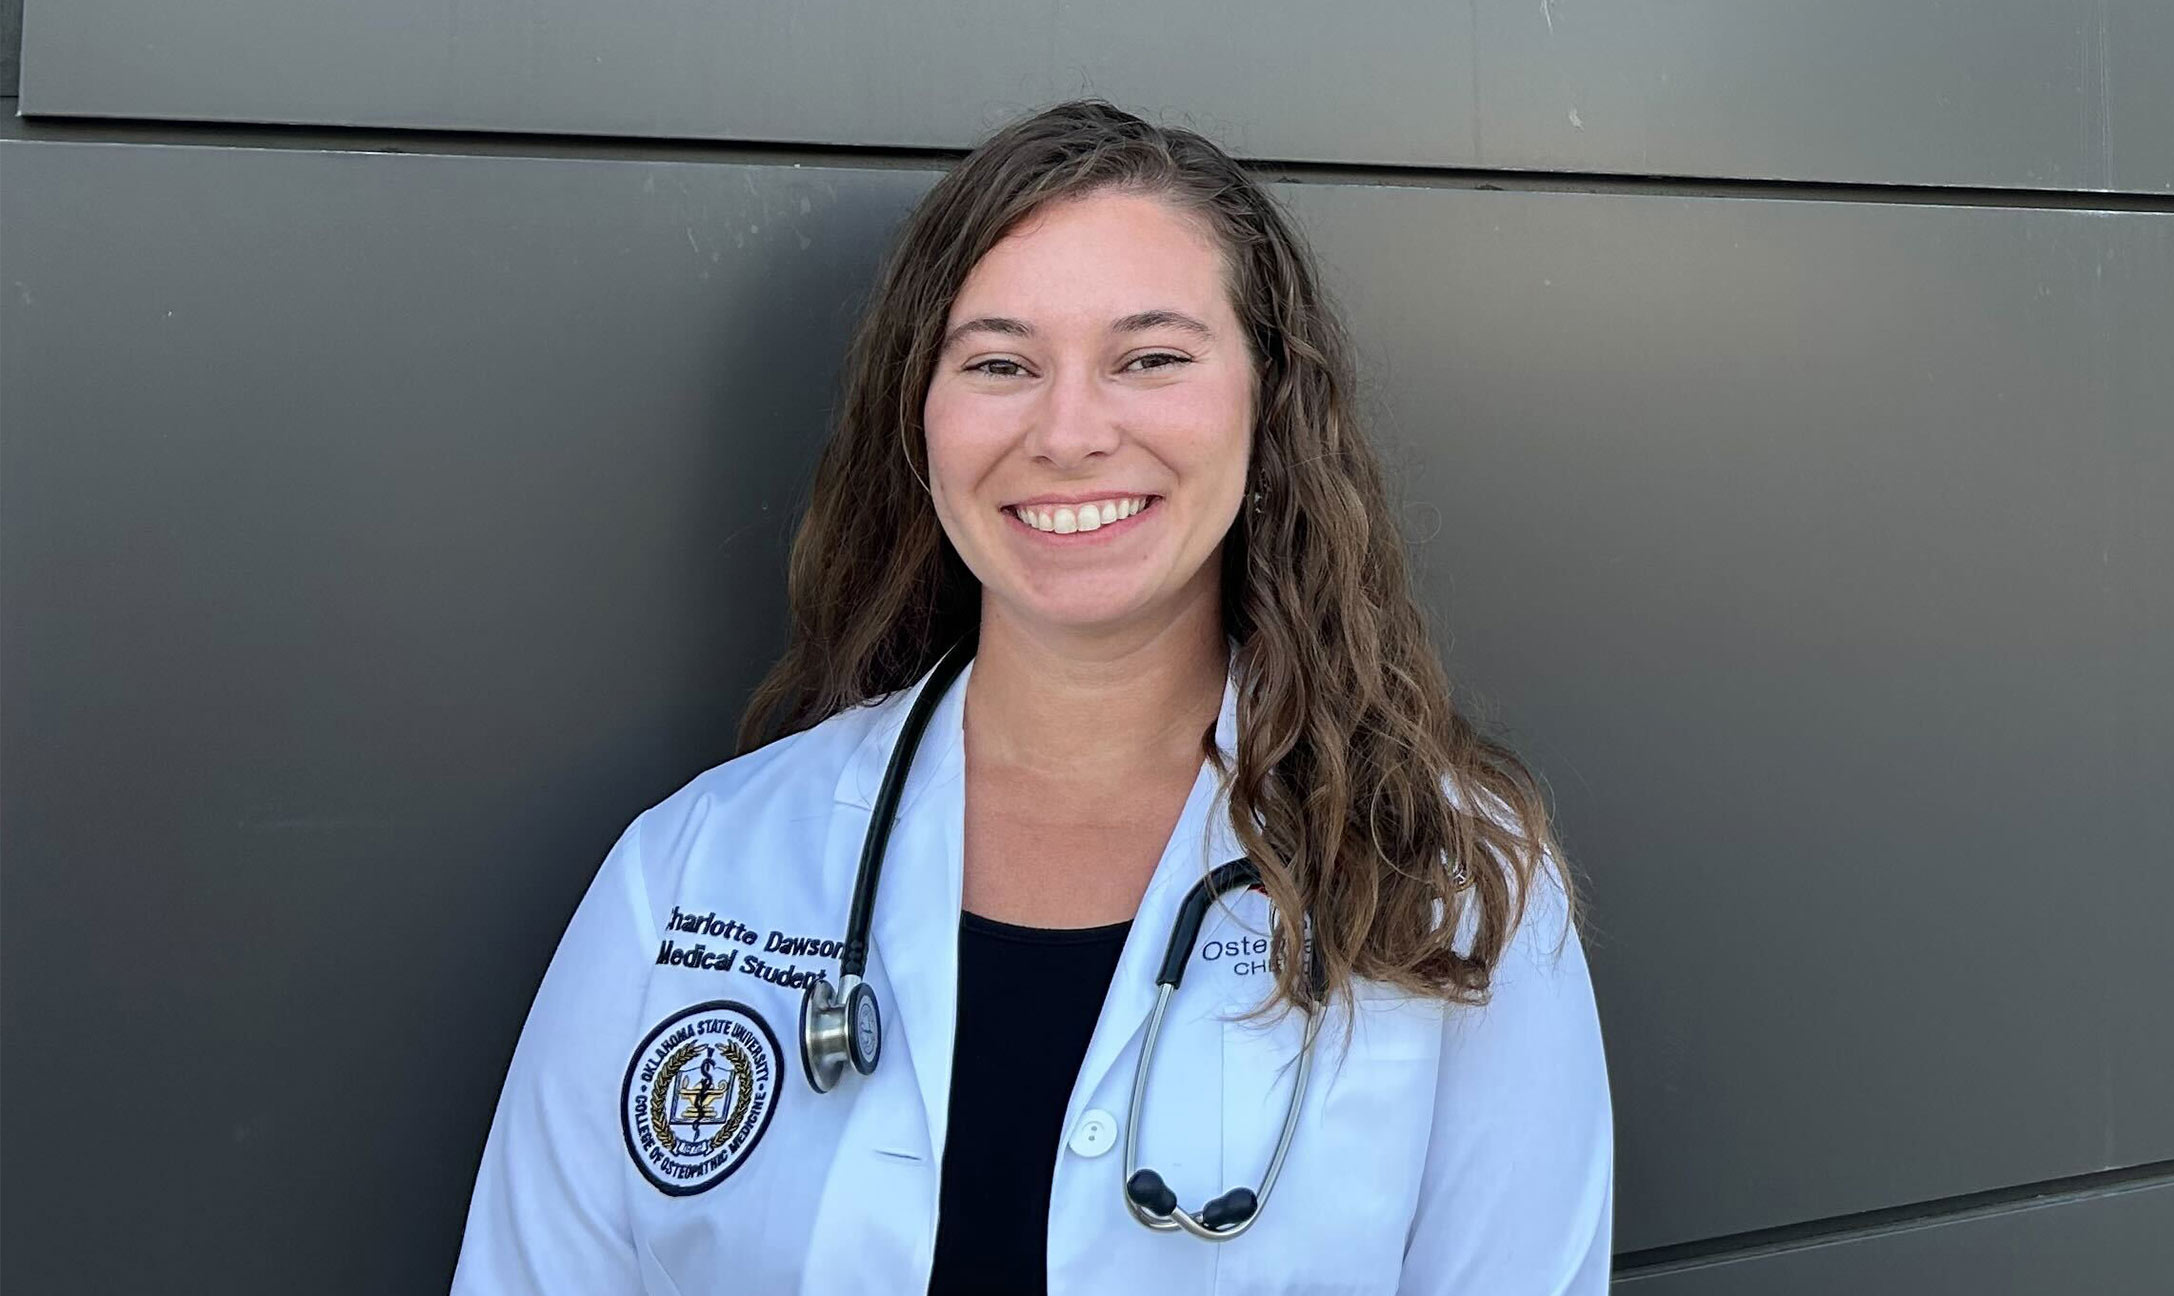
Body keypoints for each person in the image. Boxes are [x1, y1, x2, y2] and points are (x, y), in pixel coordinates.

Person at [452, 102, 1609, 1294]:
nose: (1067, 431)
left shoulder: (1452, 885)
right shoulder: (691, 872)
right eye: (1001, 362)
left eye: (1150, 357)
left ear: (1270, 406)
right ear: (923, 413)